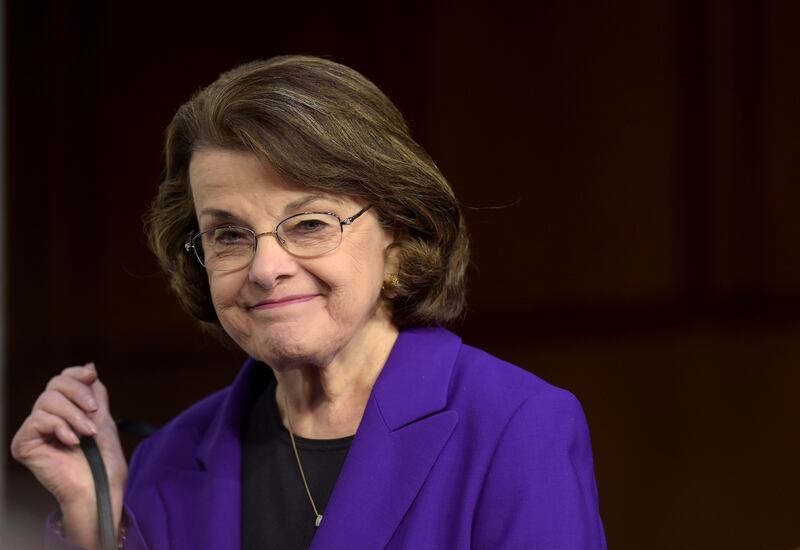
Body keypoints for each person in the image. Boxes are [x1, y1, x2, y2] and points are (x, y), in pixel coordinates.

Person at [11, 55, 606, 549]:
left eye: (311, 224)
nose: (267, 269)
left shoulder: (516, 426)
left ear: (397, 238)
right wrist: (95, 525)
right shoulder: (167, 462)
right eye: (228, 235)